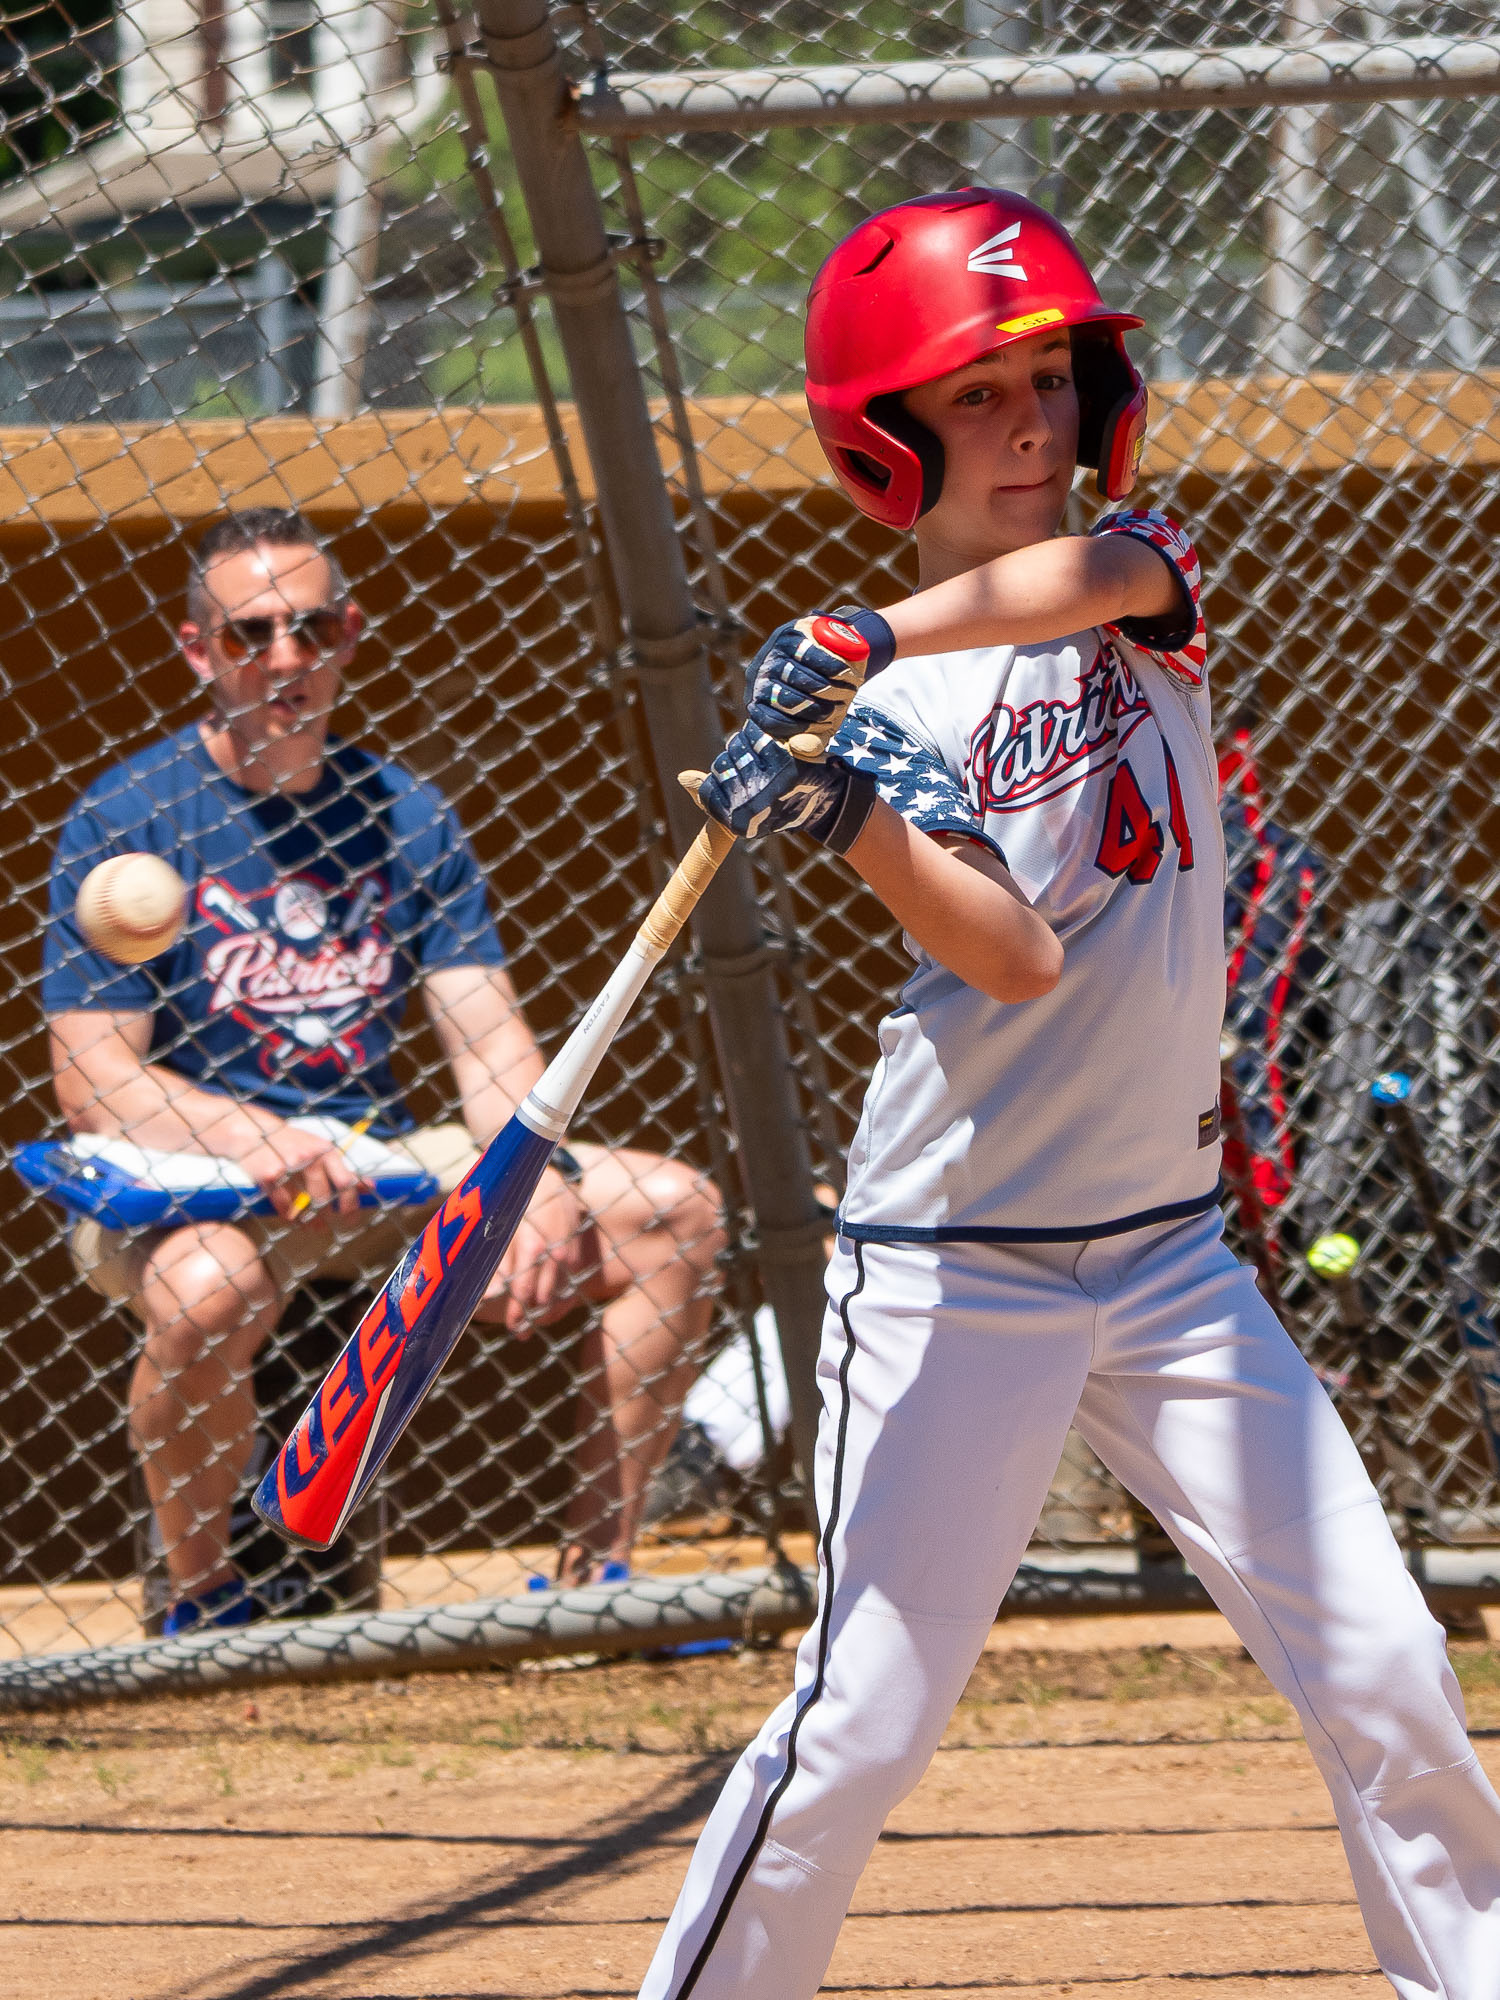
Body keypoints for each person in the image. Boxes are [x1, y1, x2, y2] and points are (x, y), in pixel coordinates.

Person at [638, 190, 1500, 1999]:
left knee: (1392, 1674)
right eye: (974, 397)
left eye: (1050, 380)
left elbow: (1089, 578)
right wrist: (845, 810)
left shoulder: (1137, 581)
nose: (1031, 425)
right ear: (887, 429)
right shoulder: (880, 733)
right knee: (860, 1727)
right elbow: (1013, 954)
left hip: (1176, 1271)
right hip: (961, 1273)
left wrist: (869, 633)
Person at [42, 507, 723, 1633]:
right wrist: (260, 1142)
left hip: (374, 1160)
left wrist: (531, 1176)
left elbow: (487, 1038)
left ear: (350, 633)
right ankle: (205, 1604)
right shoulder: (129, 816)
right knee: (208, 1288)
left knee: (674, 1212)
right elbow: (96, 1081)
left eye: (311, 628)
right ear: (195, 648)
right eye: (248, 634)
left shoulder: (404, 813)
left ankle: (594, 1580)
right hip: (199, 1184)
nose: (285, 659)